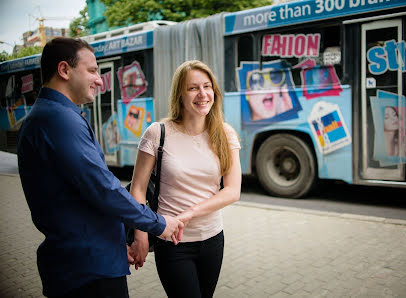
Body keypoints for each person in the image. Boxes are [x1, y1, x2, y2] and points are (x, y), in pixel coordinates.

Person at [17, 37, 184, 298]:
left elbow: (86, 195)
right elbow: (103, 190)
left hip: (90, 259)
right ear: (64, 70)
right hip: (88, 270)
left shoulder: (54, 116)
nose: (99, 80)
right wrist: (159, 223)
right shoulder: (58, 120)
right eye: (93, 70)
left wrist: (118, 244)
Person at [130, 60, 242, 297]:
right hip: (172, 243)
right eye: (193, 88)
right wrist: (140, 234)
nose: (202, 94)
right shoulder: (157, 133)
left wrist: (189, 213)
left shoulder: (225, 133)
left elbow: (232, 190)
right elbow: (138, 189)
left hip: (213, 239)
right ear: (179, 94)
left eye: (207, 86)